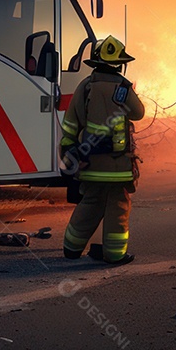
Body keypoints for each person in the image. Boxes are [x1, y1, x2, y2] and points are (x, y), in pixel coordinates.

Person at [59, 35, 145, 265]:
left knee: (90, 203)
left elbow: (70, 123)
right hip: (118, 166)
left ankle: (71, 248)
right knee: (118, 206)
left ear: (96, 62)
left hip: (90, 163)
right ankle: (115, 255)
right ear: (120, 64)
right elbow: (138, 113)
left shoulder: (85, 87)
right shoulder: (123, 89)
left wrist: (67, 151)